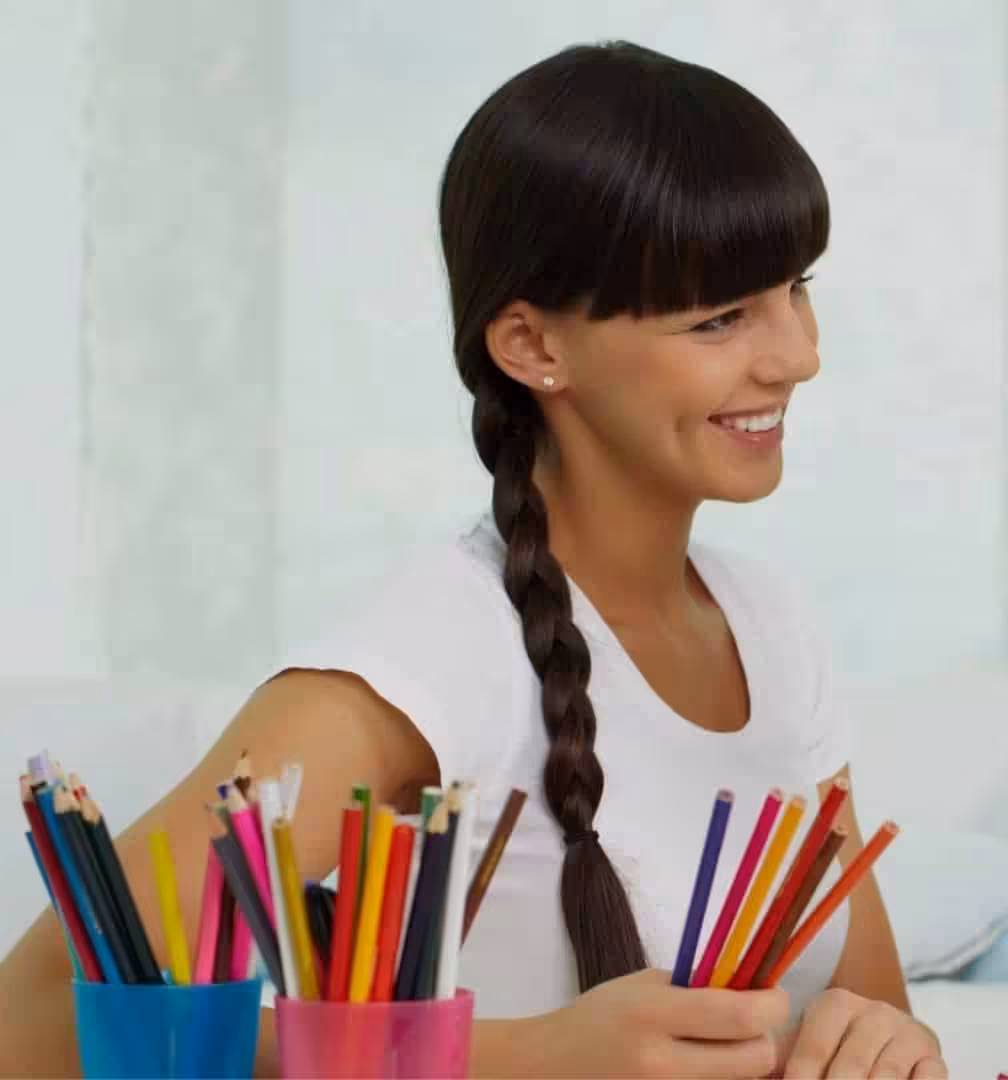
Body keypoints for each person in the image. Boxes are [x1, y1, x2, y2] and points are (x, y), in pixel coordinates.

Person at [0, 42, 944, 1079]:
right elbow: (35, 1019)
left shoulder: (771, 626)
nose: (798, 355)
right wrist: (520, 1058)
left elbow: (872, 1013)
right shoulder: (432, 652)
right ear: (534, 348)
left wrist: (893, 1045)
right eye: (721, 318)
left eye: (795, 290)